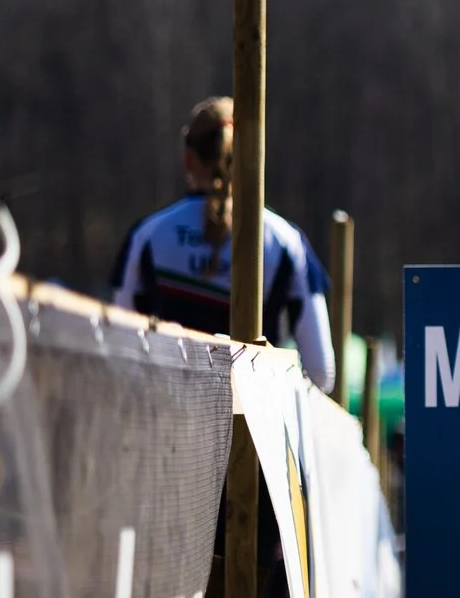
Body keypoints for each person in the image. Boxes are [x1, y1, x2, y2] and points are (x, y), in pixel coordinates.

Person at [111, 96, 337, 392]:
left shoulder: (147, 236)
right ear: (250, 156)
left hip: (168, 424)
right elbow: (321, 372)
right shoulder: (285, 242)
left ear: (188, 158)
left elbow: (119, 351)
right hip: (252, 430)